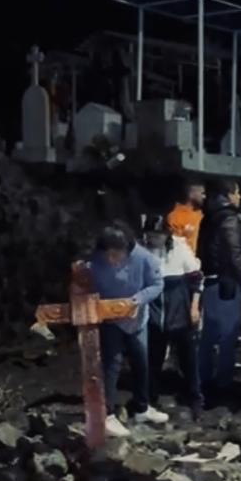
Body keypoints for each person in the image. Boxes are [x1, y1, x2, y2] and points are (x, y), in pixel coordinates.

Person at [90, 221, 169, 438]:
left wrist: (137, 300)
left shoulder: (144, 258)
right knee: (111, 364)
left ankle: (142, 407)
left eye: (118, 253)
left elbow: (156, 284)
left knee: (141, 362)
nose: (112, 258)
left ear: (128, 248)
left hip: (136, 318)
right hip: (109, 318)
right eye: (109, 253)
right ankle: (107, 414)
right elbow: (86, 281)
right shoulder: (96, 260)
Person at [142, 216, 205, 416]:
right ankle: (149, 397)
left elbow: (196, 278)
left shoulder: (180, 248)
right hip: (155, 307)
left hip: (179, 304)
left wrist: (195, 307)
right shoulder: (142, 251)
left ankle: (194, 397)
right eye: (151, 235)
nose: (154, 239)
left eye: (158, 235)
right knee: (153, 356)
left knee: (188, 355)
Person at [195, 179, 241, 407]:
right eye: (238, 192)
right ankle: (223, 386)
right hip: (226, 284)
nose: (240, 197)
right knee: (228, 337)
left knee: (208, 336)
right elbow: (234, 252)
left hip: (209, 282)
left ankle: (201, 383)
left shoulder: (208, 218)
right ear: (228, 195)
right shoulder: (230, 219)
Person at [166, 179, 206, 254]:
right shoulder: (175, 217)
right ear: (191, 194)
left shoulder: (203, 214)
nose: (204, 197)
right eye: (202, 193)